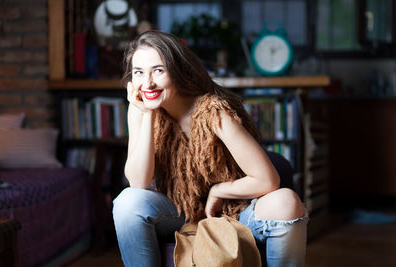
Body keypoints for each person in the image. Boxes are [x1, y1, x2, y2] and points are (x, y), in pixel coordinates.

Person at [113, 30, 308, 267]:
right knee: (126, 202)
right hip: (178, 211)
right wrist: (147, 115)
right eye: (139, 72)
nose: (148, 82)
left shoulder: (214, 112)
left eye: (158, 70)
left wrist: (219, 191)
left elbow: (268, 180)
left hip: (235, 210)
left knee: (287, 201)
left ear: (177, 70)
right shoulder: (140, 109)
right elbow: (138, 183)